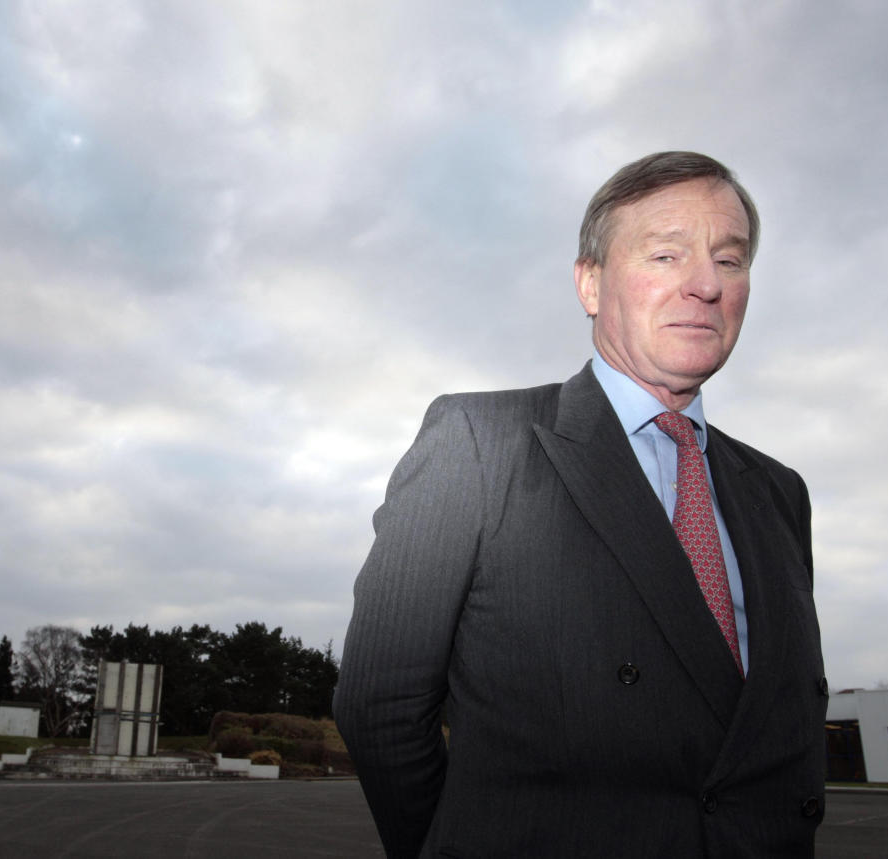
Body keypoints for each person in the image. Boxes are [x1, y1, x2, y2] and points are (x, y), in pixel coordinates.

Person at [333, 151, 827, 858]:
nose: (705, 285)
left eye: (731, 259)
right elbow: (379, 706)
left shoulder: (780, 492)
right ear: (590, 283)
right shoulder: (480, 444)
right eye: (665, 254)